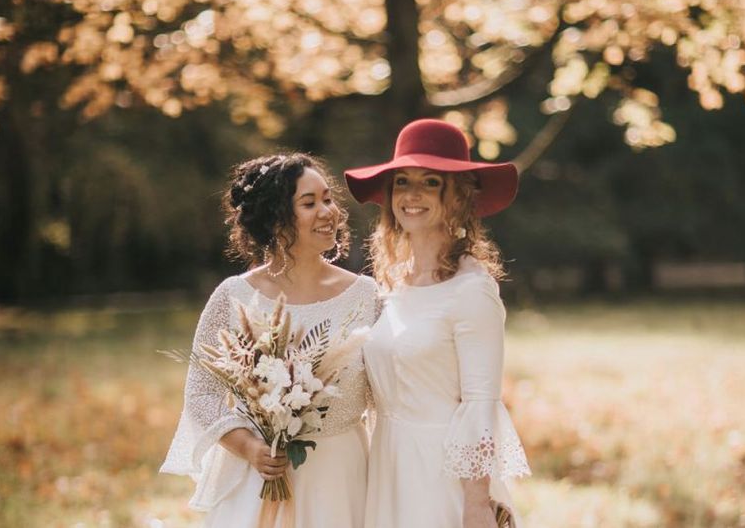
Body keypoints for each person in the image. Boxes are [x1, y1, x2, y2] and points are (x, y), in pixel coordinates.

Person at [161, 153, 378, 528]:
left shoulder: (366, 295)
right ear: (276, 219)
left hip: (342, 475)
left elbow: (391, 389)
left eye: (328, 199)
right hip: (261, 474)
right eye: (309, 203)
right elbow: (201, 394)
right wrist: (250, 447)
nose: (328, 212)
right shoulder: (234, 296)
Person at [345, 118, 531, 528]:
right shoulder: (393, 284)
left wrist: (476, 505)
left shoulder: (472, 290)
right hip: (387, 464)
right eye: (402, 182)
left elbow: (480, 405)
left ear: (459, 197)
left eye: (431, 182)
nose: (412, 195)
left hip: (444, 475)